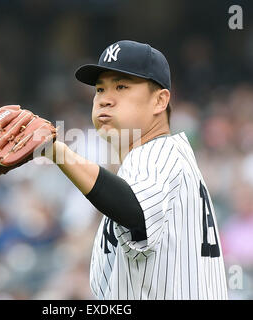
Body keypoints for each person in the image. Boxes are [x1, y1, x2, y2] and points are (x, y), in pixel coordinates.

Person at [43, 40, 228, 300]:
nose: (104, 100)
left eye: (121, 86)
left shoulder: (158, 153)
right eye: (99, 89)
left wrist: (57, 152)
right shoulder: (159, 161)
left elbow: (135, 210)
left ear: (159, 101)